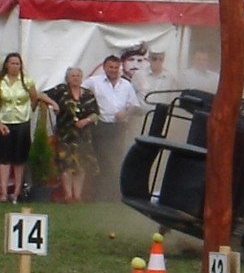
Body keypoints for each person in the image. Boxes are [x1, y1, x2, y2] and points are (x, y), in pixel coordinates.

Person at [0, 53, 59, 202]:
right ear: (6, 65)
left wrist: (51, 103)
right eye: (12, 63)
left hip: (22, 122)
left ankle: (17, 192)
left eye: (17, 64)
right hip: (4, 122)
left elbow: (36, 96)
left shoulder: (26, 81)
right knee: (4, 159)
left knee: (20, 159)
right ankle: (3, 192)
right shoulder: (1, 81)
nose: (15, 66)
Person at [82, 55, 140, 201]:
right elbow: (78, 92)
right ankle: (99, 195)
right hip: (101, 126)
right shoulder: (94, 82)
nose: (113, 70)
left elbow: (134, 105)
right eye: (110, 67)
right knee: (101, 160)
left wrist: (126, 113)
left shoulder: (126, 85)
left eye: (116, 67)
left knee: (116, 160)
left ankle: (114, 194)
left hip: (119, 127)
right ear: (104, 67)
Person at [44, 67, 99, 203]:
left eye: (78, 76)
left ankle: (77, 196)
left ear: (81, 78)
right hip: (65, 135)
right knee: (66, 165)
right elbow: (41, 94)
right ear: (68, 78)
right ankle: (68, 195)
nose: (75, 78)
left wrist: (85, 121)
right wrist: (54, 103)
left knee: (80, 166)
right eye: (72, 76)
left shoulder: (88, 94)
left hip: (83, 136)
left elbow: (95, 113)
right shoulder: (61, 91)